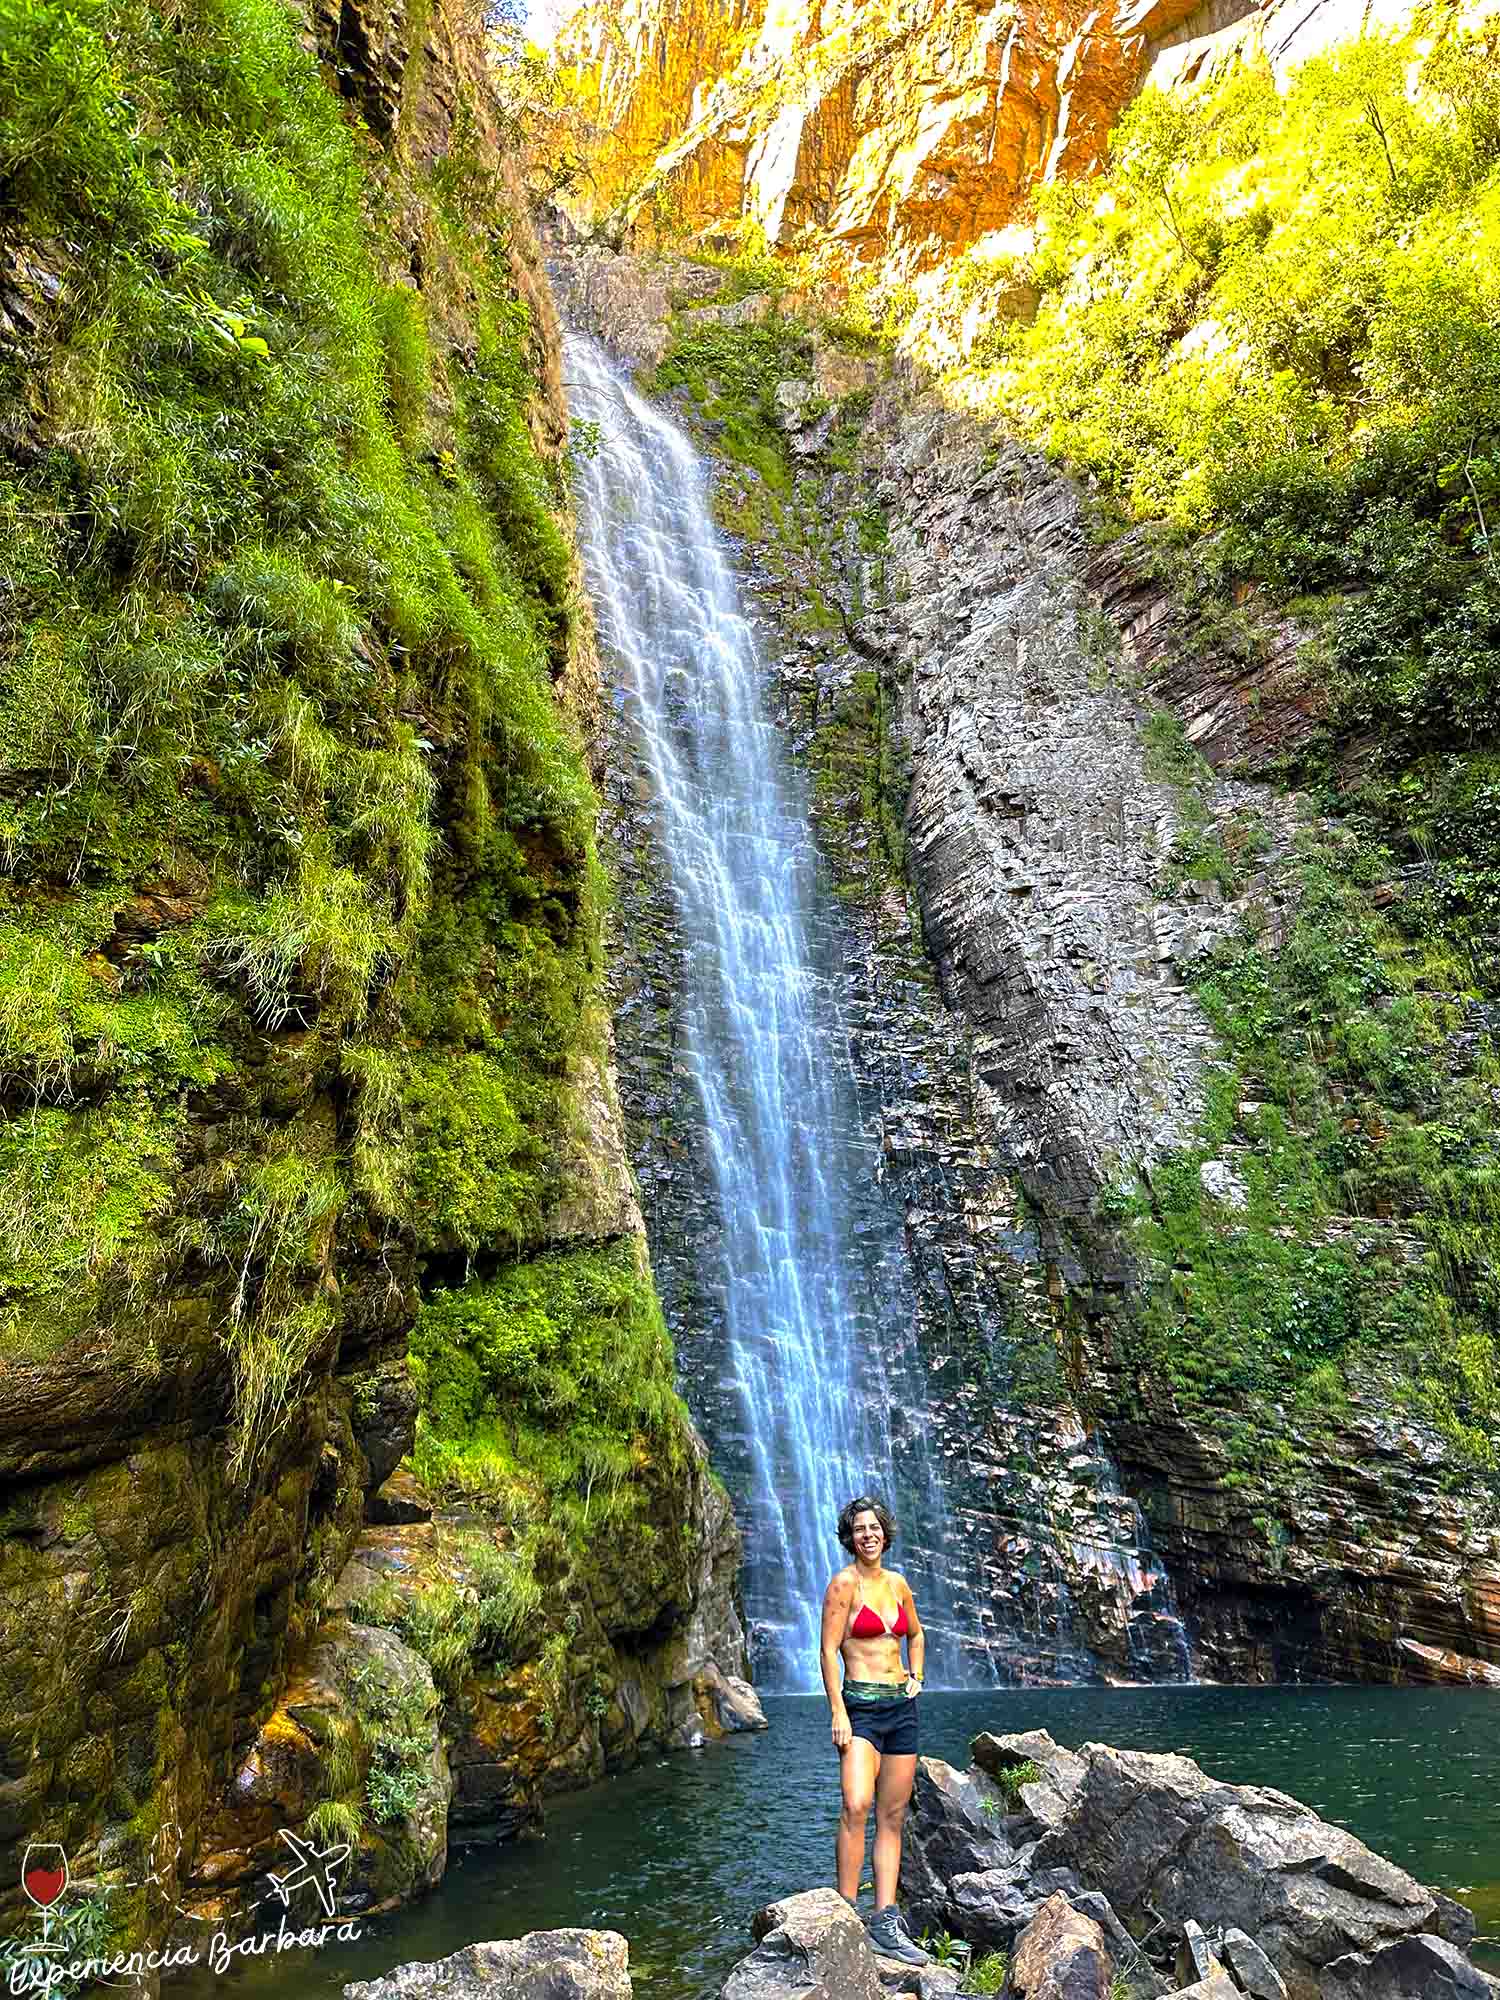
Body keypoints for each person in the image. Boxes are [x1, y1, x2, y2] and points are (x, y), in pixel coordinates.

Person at [819, 1494, 930, 1968]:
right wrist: (838, 1711)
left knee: (893, 1815)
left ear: (885, 1533)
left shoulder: (899, 1584)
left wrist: (917, 1678)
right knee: (856, 1803)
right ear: (851, 1537)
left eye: (875, 1527)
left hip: (900, 1709)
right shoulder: (843, 1585)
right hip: (861, 1709)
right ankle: (846, 1913)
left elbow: (916, 1634)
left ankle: (885, 1920)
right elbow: (827, 1651)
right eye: (860, 1528)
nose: (868, 1534)